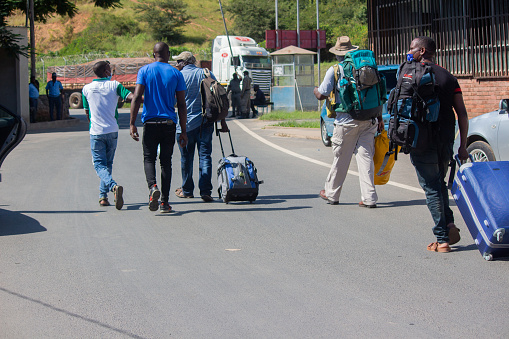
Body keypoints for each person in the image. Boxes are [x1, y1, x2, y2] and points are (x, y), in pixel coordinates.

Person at [404, 36, 469, 253]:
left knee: (431, 187)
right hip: (445, 139)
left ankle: (442, 240)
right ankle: (449, 224)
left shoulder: (409, 72)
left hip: (420, 140)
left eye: (412, 48)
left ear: (422, 50)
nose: (409, 51)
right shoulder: (449, 77)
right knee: (439, 182)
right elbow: (462, 114)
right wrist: (463, 146)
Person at [313, 36, 383, 208]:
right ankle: (369, 198)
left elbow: (322, 94)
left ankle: (332, 194)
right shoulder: (368, 67)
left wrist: (314, 89)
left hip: (346, 121)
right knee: (365, 158)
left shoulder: (336, 69)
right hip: (369, 119)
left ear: (338, 54)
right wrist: (379, 118)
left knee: (341, 159)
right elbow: (379, 94)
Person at [130, 42, 188, 213]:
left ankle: (152, 187)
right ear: (168, 54)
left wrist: (132, 123)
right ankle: (164, 202)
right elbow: (182, 105)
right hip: (169, 124)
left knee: (149, 158)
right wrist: (183, 131)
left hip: (150, 123)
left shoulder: (145, 71)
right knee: (166, 163)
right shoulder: (176, 73)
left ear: (153, 54)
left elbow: (137, 97)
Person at [172, 51, 229, 202]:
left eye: (178, 61)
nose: (176, 65)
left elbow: (172, 101)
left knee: (186, 158)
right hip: (206, 122)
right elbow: (219, 99)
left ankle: (187, 190)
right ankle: (205, 191)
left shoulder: (178, 76)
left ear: (184, 63)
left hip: (184, 125)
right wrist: (222, 121)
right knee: (205, 157)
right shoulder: (206, 73)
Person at [82, 60, 134, 209]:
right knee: (107, 164)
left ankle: (112, 187)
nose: (111, 71)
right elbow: (130, 97)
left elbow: (87, 113)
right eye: (109, 69)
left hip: (96, 132)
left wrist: (93, 126)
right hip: (112, 131)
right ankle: (103, 196)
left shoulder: (86, 89)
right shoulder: (115, 85)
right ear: (105, 72)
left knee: (99, 165)